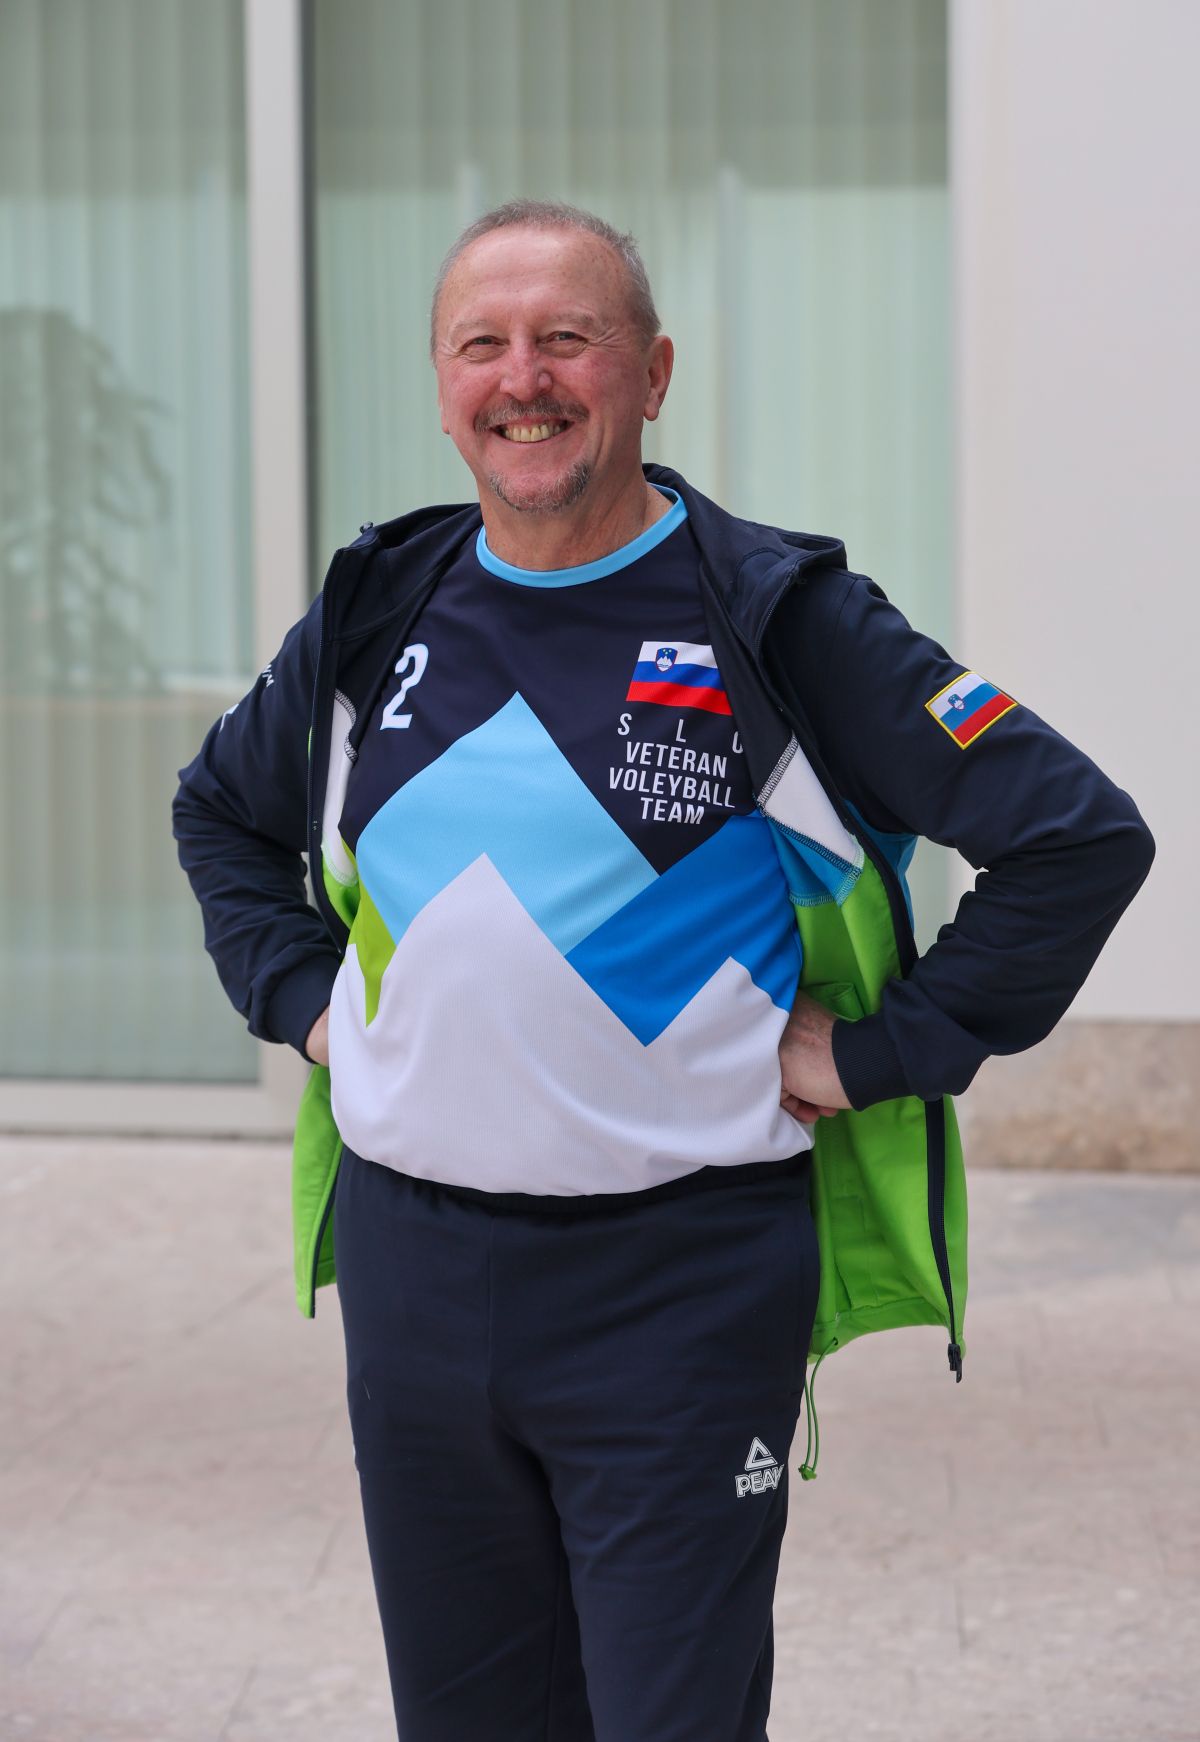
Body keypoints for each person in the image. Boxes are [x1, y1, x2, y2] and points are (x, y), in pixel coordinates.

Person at [173, 199, 1154, 1742]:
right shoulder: (379, 609)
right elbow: (220, 811)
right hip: (415, 1278)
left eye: (568, 338)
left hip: (676, 1290)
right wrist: (304, 1005)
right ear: (442, 384)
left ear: (652, 373)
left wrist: (882, 1051)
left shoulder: (777, 618)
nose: (524, 378)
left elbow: (1076, 835)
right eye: (483, 344)